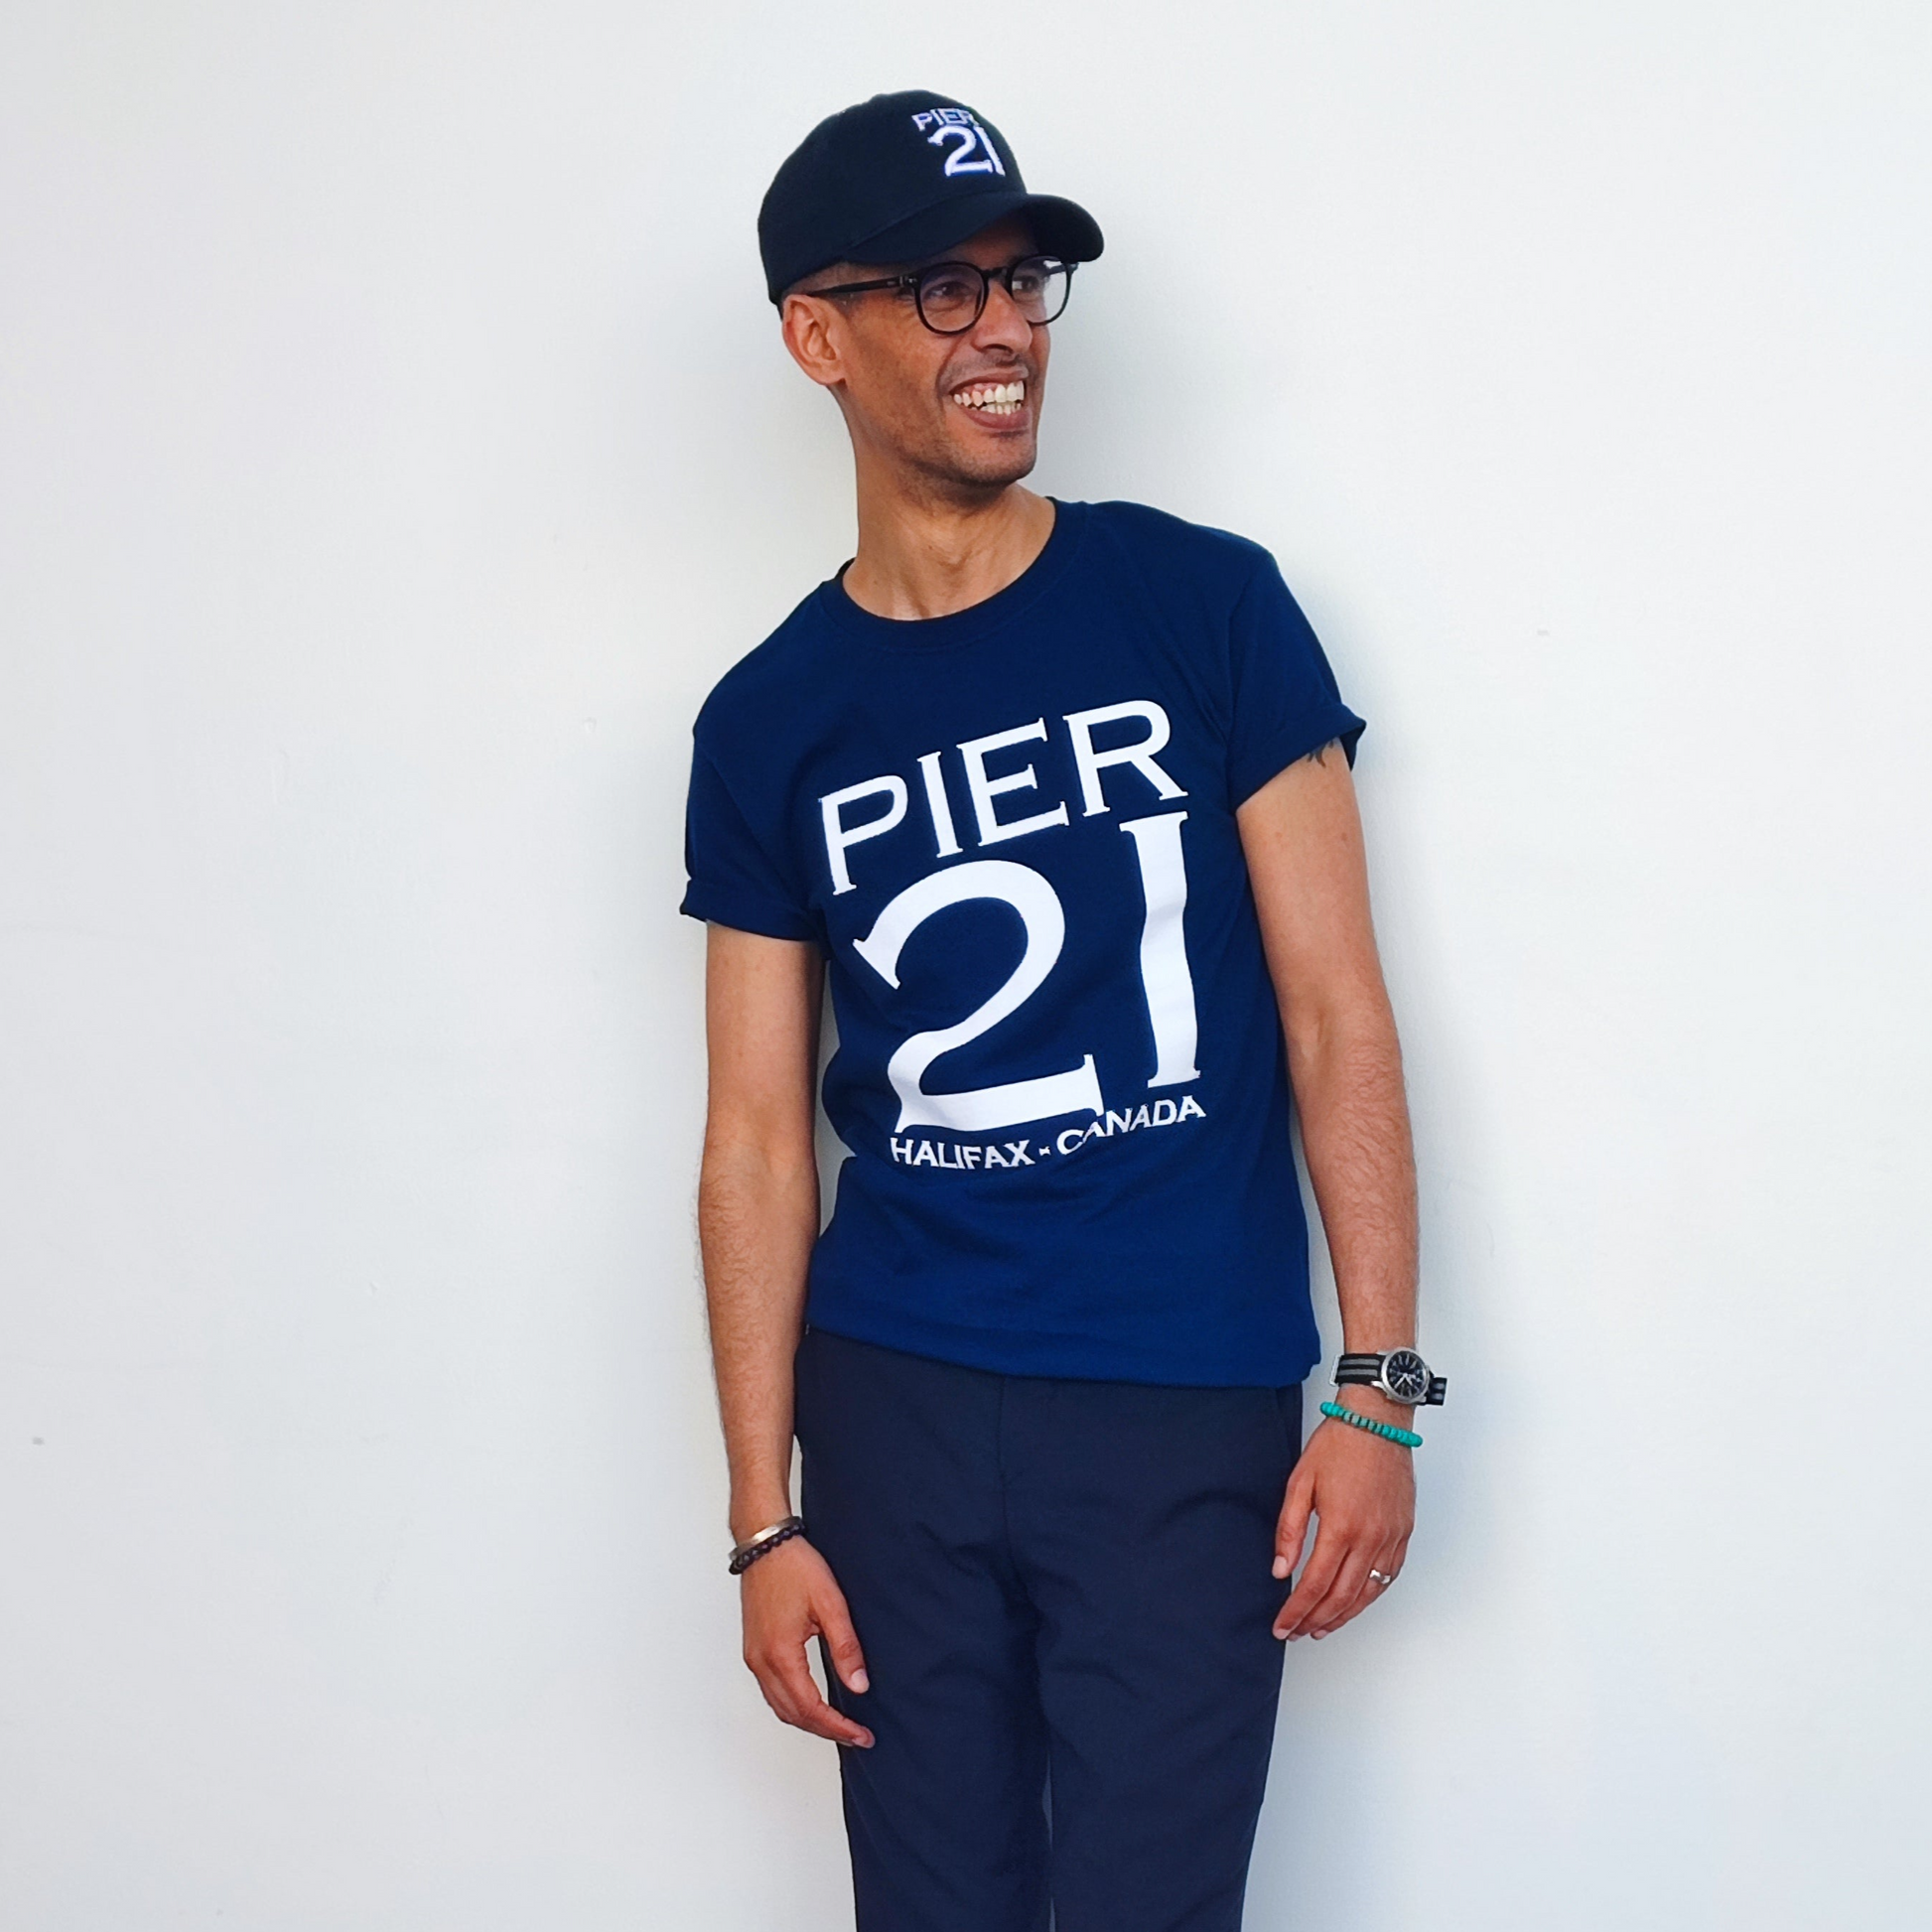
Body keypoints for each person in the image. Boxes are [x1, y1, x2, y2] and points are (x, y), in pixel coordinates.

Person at [681, 89, 1446, 1932]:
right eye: (942, 289)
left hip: (1175, 1396)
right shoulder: (767, 716)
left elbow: (1339, 1012)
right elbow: (759, 1136)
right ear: (817, 335)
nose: (1006, 326)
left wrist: (1382, 1388)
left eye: (1021, 281)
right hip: (894, 1409)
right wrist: (761, 1516)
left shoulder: (1204, 607)